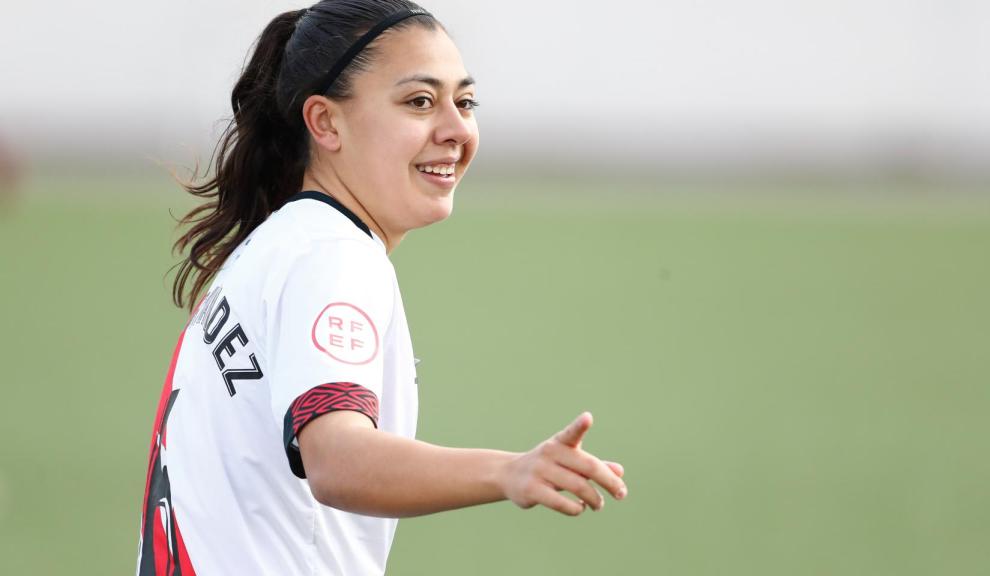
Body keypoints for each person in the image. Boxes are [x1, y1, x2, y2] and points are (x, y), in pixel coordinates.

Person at [137, 1, 627, 574]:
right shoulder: (333, 257)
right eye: (419, 102)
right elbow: (338, 461)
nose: (456, 130)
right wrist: (508, 471)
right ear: (324, 123)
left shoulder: (277, 246)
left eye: (464, 102)